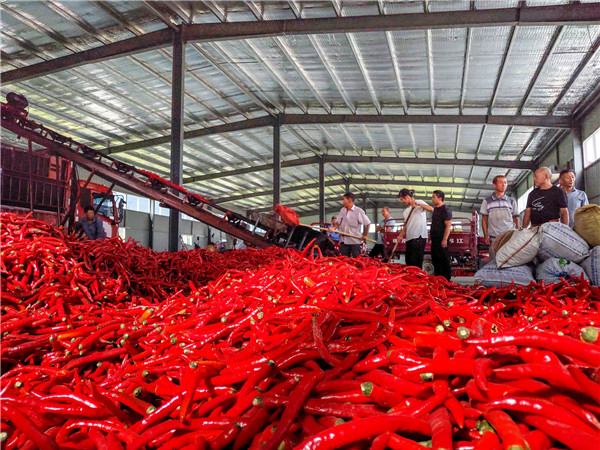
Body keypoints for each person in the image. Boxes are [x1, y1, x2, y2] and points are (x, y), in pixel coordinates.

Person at [480, 175, 520, 255]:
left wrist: (518, 234)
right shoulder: (487, 201)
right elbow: (484, 219)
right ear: (494, 185)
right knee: (494, 260)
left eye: (505, 183)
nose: (504, 185)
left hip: (509, 236)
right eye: (501, 182)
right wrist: (485, 236)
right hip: (494, 238)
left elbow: (516, 218)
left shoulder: (511, 201)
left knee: (509, 259)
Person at [397, 188, 433, 269]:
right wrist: (400, 235)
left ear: (407, 197)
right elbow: (405, 226)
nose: (402, 202)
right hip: (410, 238)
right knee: (409, 261)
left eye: (402, 199)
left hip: (419, 237)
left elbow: (431, 208)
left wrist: (418, 204)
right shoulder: (406, 211)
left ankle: (418, 279)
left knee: (416, 262)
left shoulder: (419, 202)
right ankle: (411, 279)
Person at [328, 192, 371, 258]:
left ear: (349, 200)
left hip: (355, 241)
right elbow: (338, 223)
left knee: (357, 260)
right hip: (343, 241)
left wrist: (365, 235)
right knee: (344, 260)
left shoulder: (359, 211)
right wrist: (333, 228)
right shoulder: (342, 210)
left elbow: (367, 223)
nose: (343, 202)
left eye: (344, 199)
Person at [430, 190, 452, 281]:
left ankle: (446, 280)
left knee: (443, 259)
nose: (432, 199)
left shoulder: (445, 209)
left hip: (441, 238)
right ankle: (438, 279)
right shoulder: (435, 210)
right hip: (434, 239)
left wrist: (445, 239)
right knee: (435, 259)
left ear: (440, 198)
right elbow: (433, 224)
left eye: (433, 197)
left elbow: (448, 226)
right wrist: (430, 237)